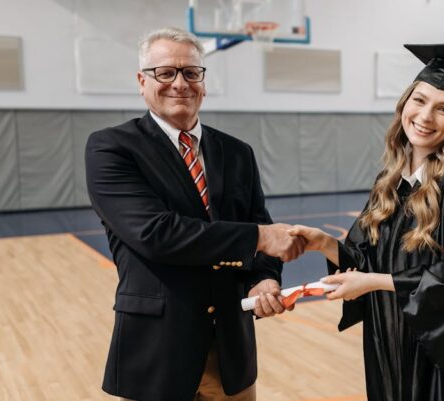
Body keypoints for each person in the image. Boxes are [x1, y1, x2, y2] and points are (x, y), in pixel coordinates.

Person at [85, 27, 304, 401]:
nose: (179, 83)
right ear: (142, 81)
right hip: (159, 351)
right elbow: (157, 234)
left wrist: (264, 279)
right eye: (165, 72)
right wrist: (257, 238)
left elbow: (259, 220)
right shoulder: (112, 148)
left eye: (191, 72)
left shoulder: (237, 152)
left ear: (203, 80)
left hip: (231, 350)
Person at [290, 43, 444, 401]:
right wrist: (323, 243)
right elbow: (364, 261)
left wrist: (375, 281)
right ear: (404, 104)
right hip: (393, 338)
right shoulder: (390, 181)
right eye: (419, 101)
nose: (426, 116)